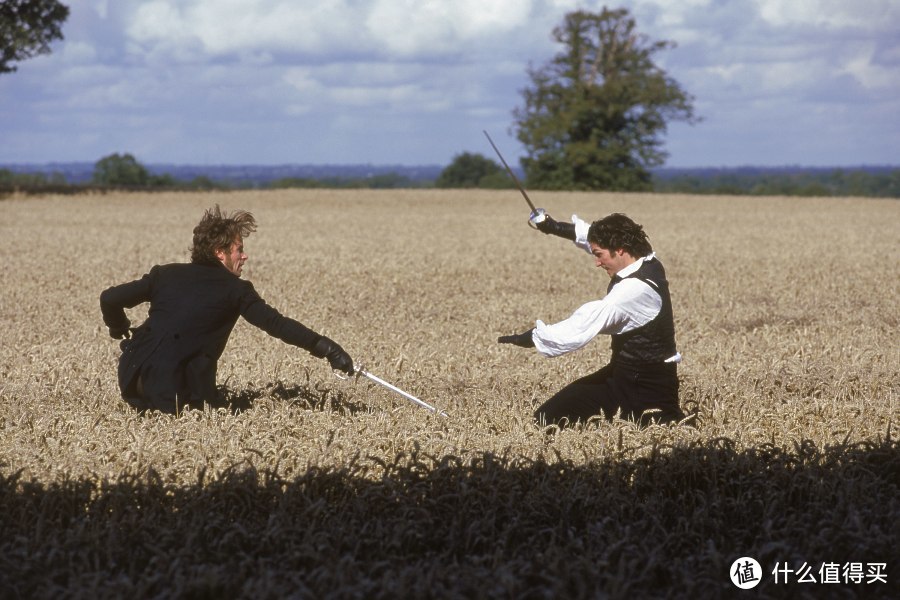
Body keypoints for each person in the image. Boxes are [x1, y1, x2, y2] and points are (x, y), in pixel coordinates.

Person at [100, 205, 354, 414]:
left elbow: (110, 298)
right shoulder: (236, 289)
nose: (244, 257)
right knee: (229, 412)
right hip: (174, 392)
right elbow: (276, 325)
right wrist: (328, 349)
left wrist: (119, 328)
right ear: (220, 252)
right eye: (239, 249)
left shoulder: (164, 274)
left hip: (132, 377)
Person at [498, 211, 685, 427]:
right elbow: (591, 236)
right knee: (546, 419)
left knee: (656, 431)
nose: (597, 262)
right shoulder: (646, 259)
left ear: (620, 250)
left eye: (599, 255)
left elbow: (583, 323)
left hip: (646, 388)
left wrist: (533, 336)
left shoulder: (633, 291)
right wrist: (552, 226)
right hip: (620, 376)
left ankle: (670, 422)